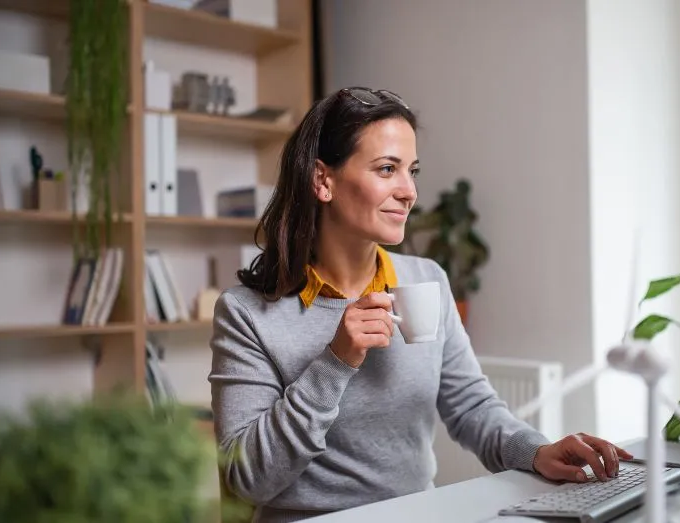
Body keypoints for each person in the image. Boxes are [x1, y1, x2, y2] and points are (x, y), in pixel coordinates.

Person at [208, 87, 633, 522]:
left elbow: (471, 406)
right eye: (387, 169)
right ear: (323, 181)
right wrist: (334, 362)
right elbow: (246, 477)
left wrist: (538, 452)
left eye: (411, 171)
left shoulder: (426, 279)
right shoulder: (245, 313)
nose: (409, 191)